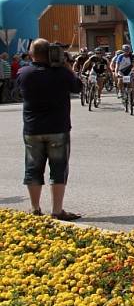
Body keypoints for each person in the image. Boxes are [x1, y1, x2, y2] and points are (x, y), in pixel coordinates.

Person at [17, 38, 82, 220]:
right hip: (58, 128)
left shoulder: (24, 73)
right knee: (58, 169)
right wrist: (67, 67)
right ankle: (57, 210)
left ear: (31, 54)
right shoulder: (61, 73)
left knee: (33, 169)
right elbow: (78, 87)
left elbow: (20, 91)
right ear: (52, 53)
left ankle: (35, 208)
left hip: (32, 128)